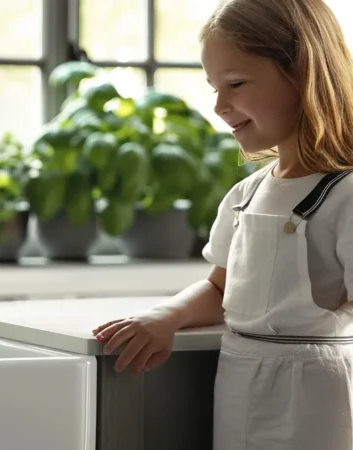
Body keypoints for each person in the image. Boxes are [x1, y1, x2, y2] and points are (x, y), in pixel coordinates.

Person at [91, 0, 353, 448]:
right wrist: (165, 317)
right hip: (239, 379)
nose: (218, 105)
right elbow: (219, 288)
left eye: (235, 84)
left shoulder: (345, 195)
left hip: (315, 399)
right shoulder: (246, 193)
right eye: (214, 86)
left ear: (302, 72)